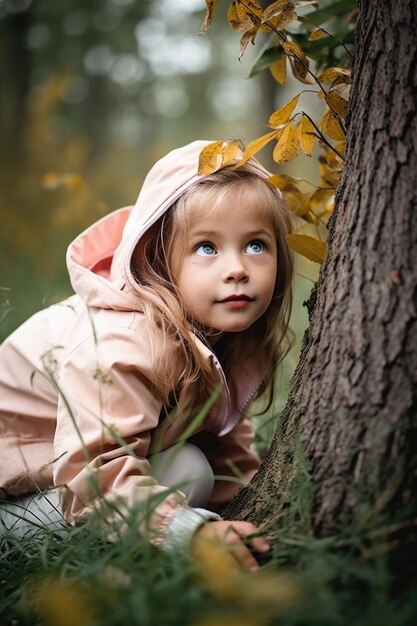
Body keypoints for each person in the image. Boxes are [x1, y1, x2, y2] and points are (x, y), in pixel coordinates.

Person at [0, 140, 293, 570]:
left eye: (255, 245)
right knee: (187, 472)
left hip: (58, 477)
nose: (237, 268)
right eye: (207, 248)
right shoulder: (125, 341)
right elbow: (91, 476)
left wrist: (254, 512)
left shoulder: (223, 334)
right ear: (160, 261)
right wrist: (189, 532)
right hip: (20, 499)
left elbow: (221, 438)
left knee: (195, 462)